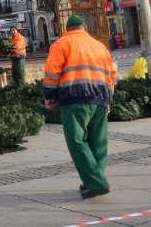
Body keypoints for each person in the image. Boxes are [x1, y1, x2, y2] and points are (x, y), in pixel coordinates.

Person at [43, 15, 116, 199]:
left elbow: (52, 72)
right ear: (84, 28)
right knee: (97, 142)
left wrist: (49, 96)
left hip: (75, 97)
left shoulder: (61, 44)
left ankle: (97, 183)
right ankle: (94, 179)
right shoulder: (100, 46)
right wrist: (108, 98)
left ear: (67, 28)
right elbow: (112, 75)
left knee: (76, 141)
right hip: (100, 98)